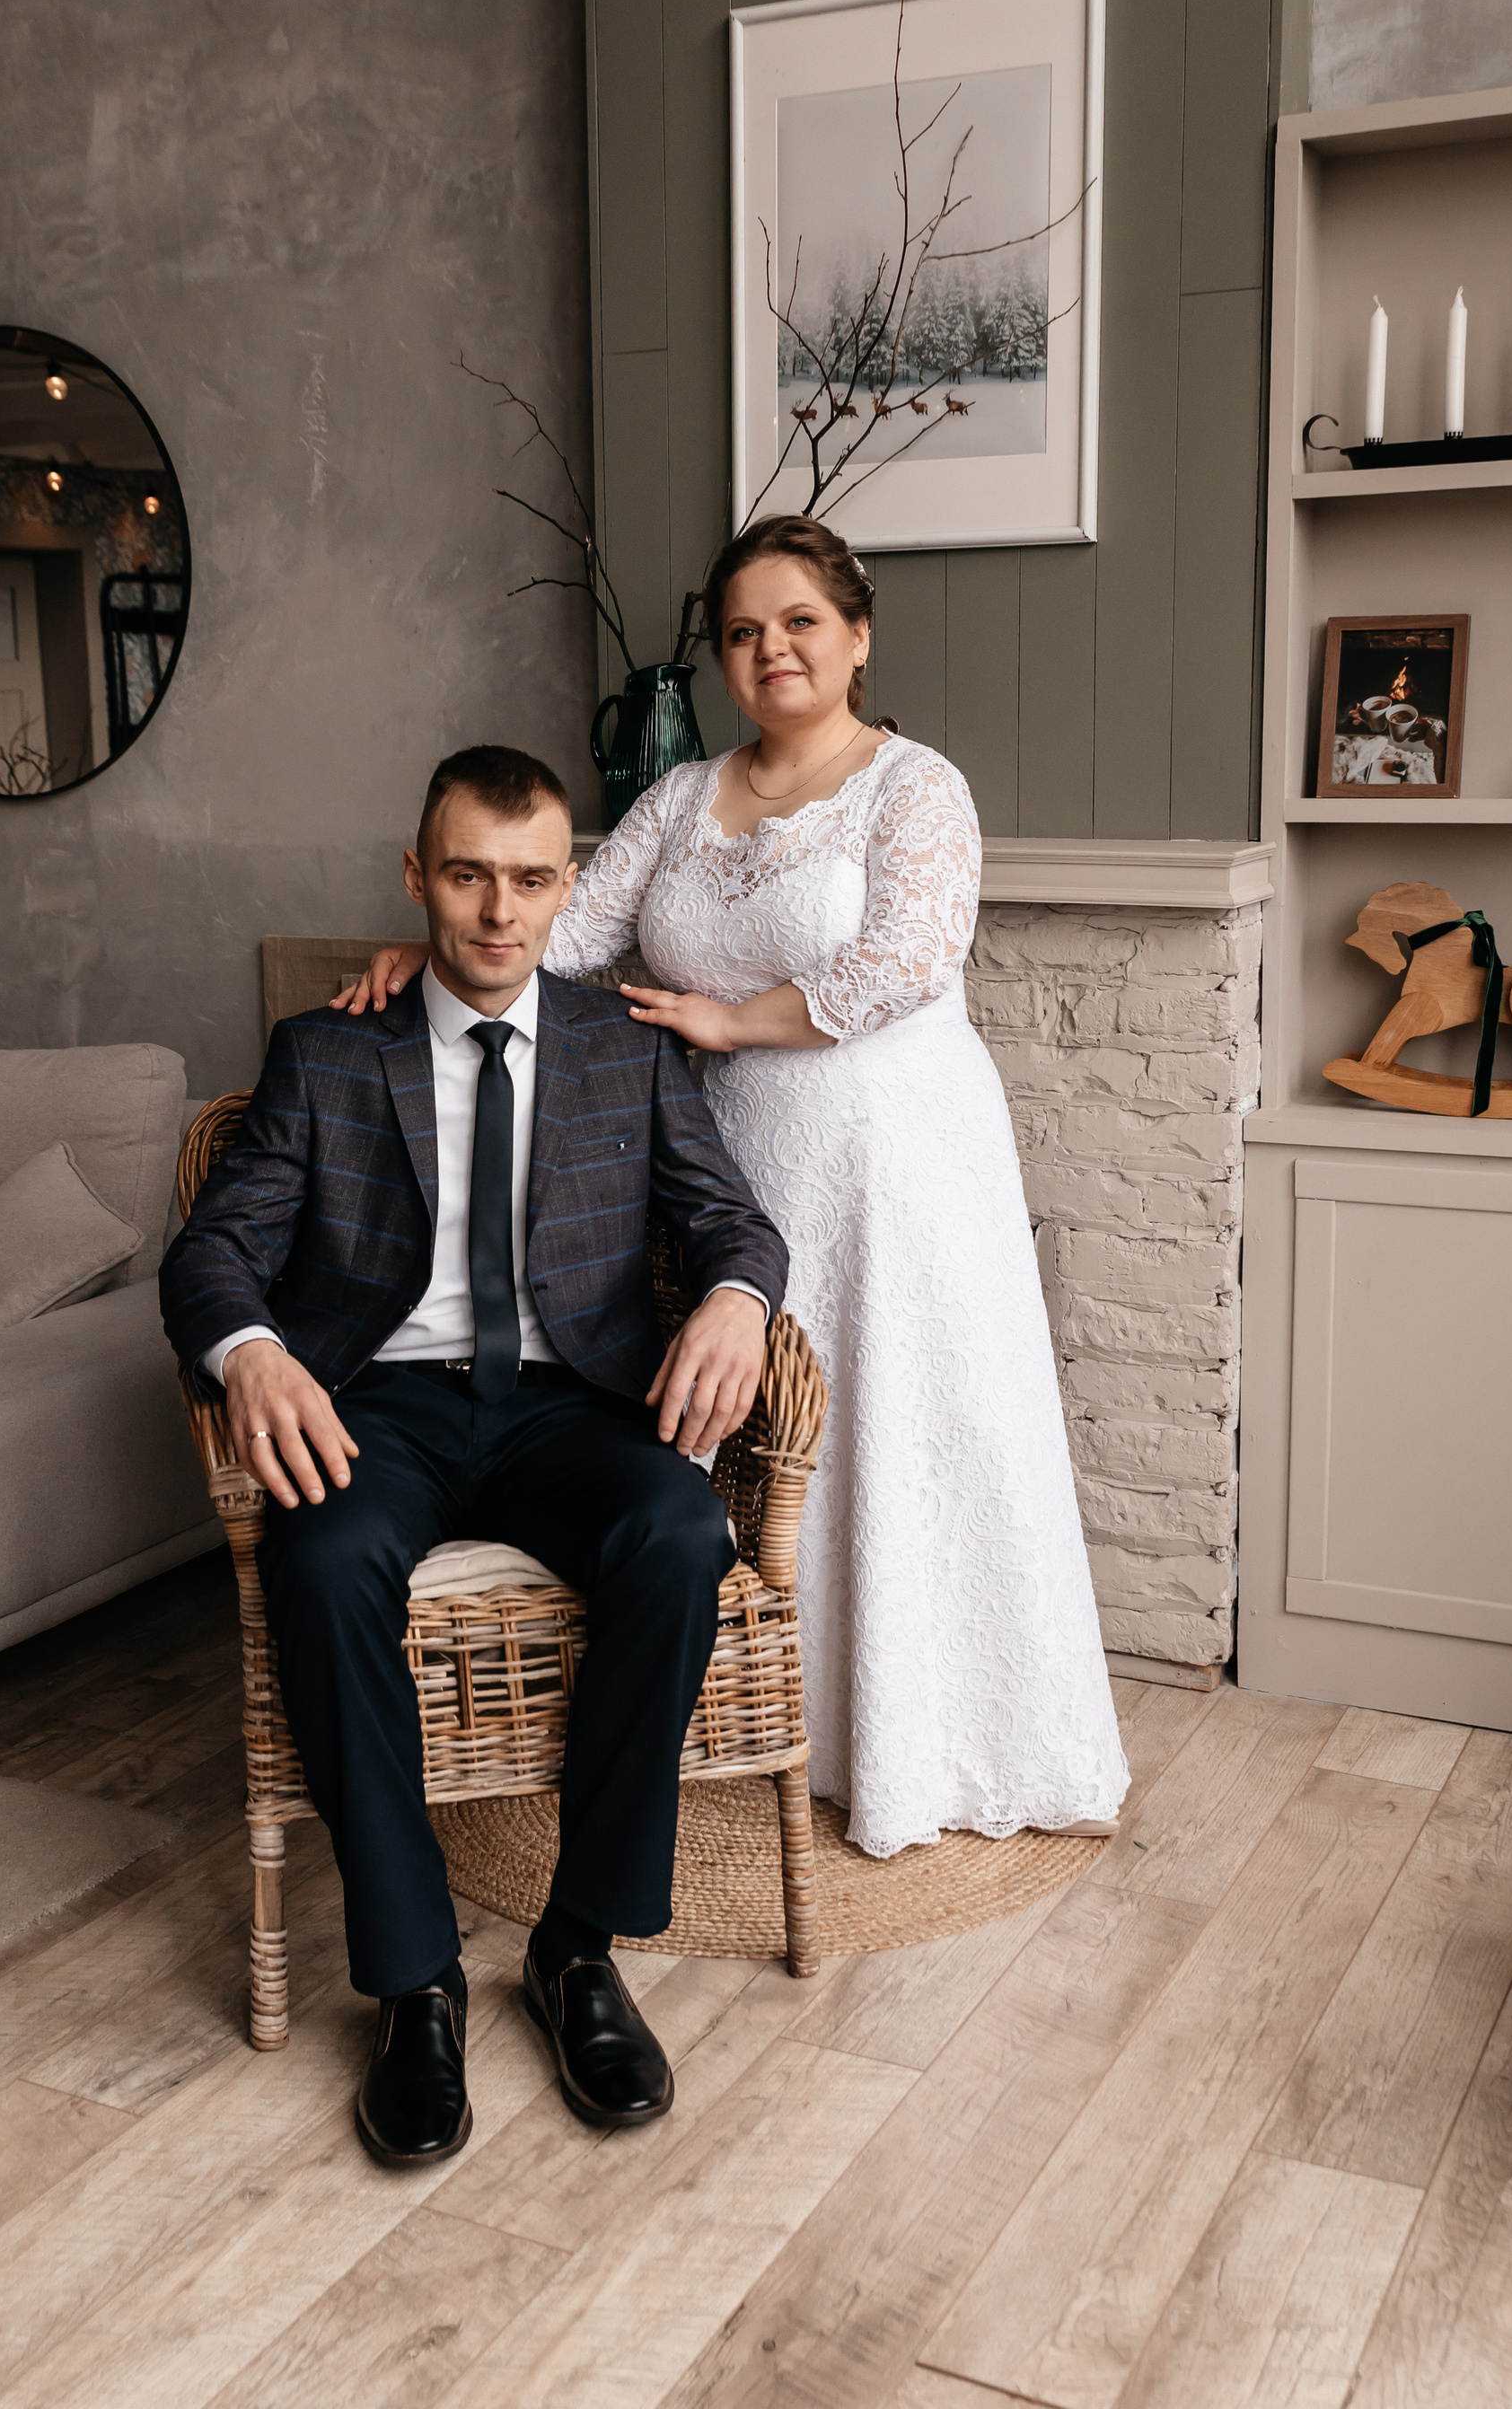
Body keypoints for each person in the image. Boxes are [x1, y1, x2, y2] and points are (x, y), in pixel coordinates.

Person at [338, 513, 1130, 1857]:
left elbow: (912, 956)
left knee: (896, 1425)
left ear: (858, 637)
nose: (773, 650)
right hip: (732, 1156)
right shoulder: (679, 798)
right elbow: (564, 932)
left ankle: (924, 1739)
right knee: (749, 1431)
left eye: (800, 622)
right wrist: (437, 951)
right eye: (745, 631)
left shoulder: (914, 786)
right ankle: (745, 1717)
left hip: (894, 1155)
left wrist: (728, 1022)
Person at [163, 743, 788, 2167]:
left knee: (679, 1532)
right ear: (416, 877)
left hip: (572, 1402)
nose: (500, 913)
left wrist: (740, 1303)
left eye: (529, 880)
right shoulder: (327, 1050)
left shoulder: (623, 1046)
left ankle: (577, 1950)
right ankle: (416, 1984)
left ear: (568, 887)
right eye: (466, 877)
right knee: (320, 1557)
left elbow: (731, 1220)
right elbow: (213, 1250)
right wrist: (251, 1354)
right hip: (378, 1402)